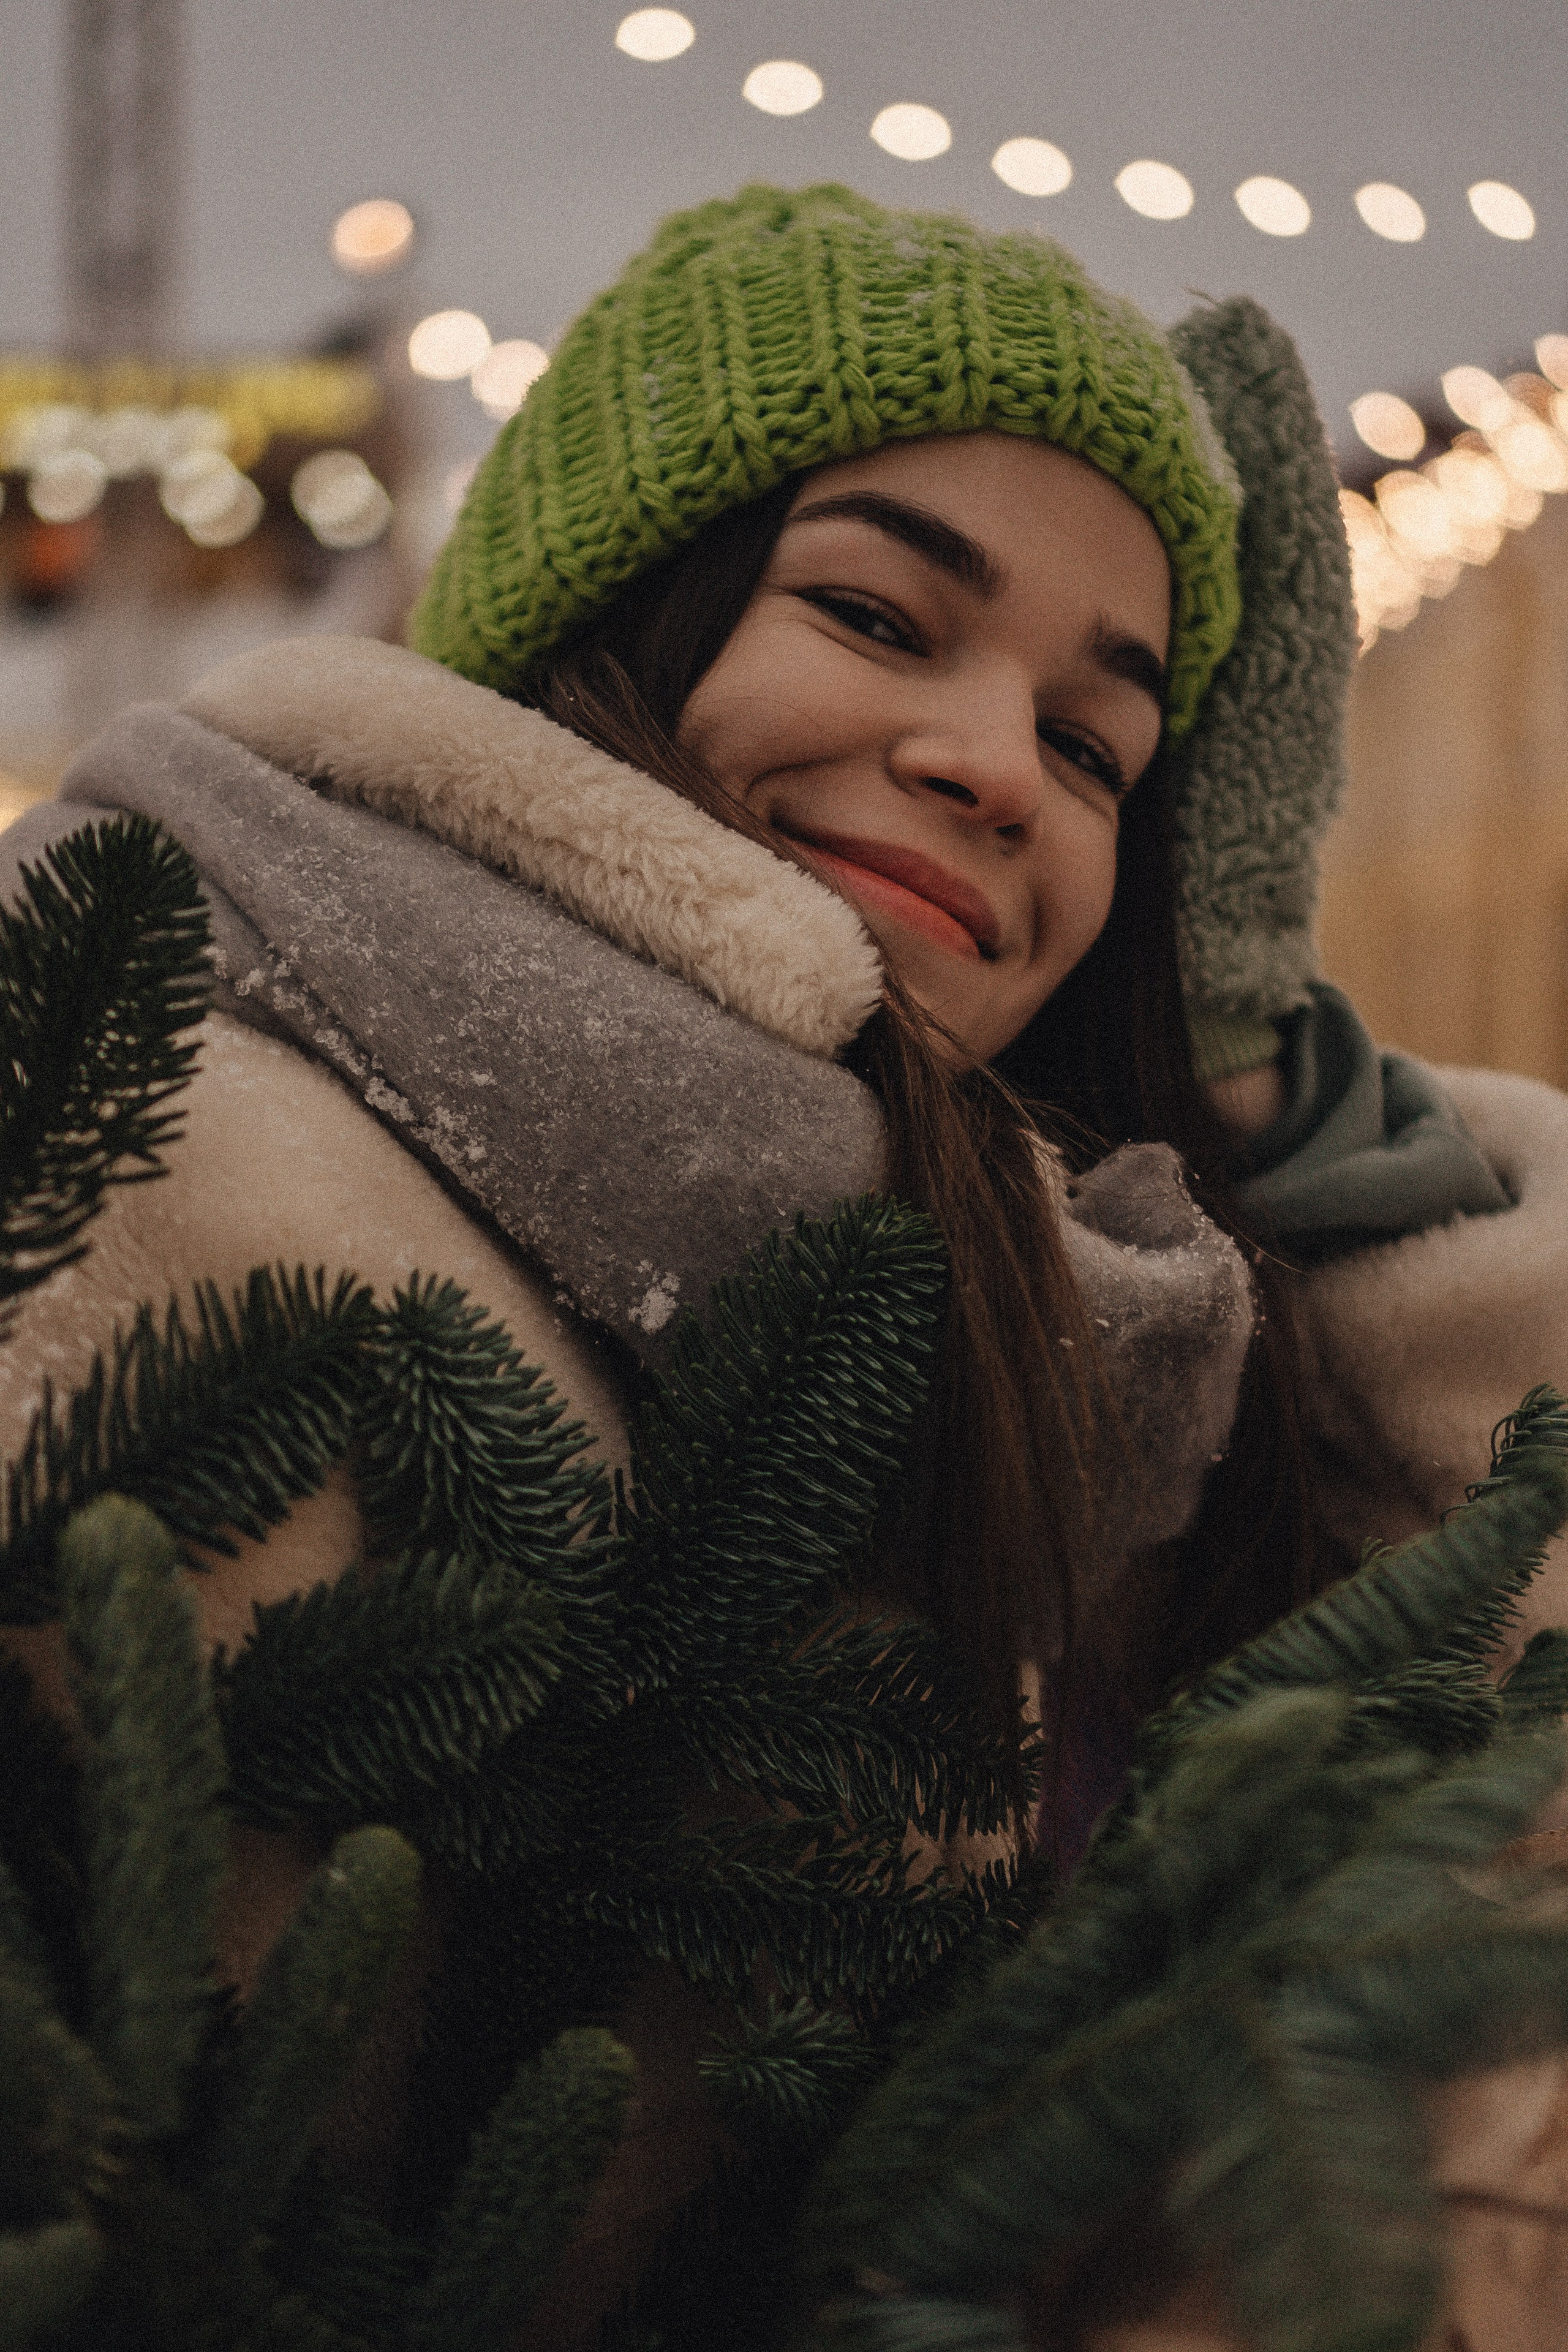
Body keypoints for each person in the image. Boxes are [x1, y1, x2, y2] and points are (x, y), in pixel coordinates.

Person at [6, 182, 1568, 2340]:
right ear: (616, 608)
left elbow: (1472, 1811)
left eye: (1097, 746)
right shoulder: (153, 1142)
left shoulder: (1072, 1334)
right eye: (877, 614)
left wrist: (1264, 1100)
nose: (996, 766)